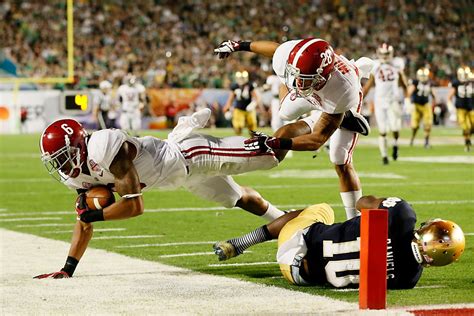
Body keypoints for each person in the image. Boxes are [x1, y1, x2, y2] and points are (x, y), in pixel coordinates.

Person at [34, 109, 287, 279]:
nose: (62, 167)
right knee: (237, 198)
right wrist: (68, 269)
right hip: (184, 178)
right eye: (56, 161)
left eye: (63, 158)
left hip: (193, 155)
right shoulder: (75, 176)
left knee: (271, 155)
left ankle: (306, 126)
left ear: (78, 146)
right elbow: (84, 220)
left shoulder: (102, 146)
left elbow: (134, 207)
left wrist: (94, 216)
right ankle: (285, 218)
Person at [215, 38, 372, 220]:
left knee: (339, 158)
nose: (296, 82)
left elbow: (317, 140)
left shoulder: (343, 89)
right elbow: (276, 49)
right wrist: (239, 45)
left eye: (302, 78)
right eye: (294, 74)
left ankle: (354, 220)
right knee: (284, 113)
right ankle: (334, 112)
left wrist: (276, 142)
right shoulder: (290, 55)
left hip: (336, 98)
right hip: (318, 91)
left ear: (322, 75)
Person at [213, 195, 465, 289]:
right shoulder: (409, 279)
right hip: (302, 278)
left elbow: (361, 202)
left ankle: (240, 242)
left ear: (428, 229)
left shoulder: (402, 215)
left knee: (321, 209)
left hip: (297, 245)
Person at [362, 43, 409, 165]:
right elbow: (369, 84)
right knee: (382, 130)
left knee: (395, 128)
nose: (384, 56)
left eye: (387, 54)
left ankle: (395, 145)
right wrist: (360, 98)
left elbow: (404, 83)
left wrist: (407, 98)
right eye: (382, 54)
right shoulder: (375, 65)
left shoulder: (397, 64)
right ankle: (384, 156)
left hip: (393, 100)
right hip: (380, 101)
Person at [222, 70, 261, 136]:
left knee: (252, 128)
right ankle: (239, 140)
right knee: (238, 127)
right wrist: (227, 107)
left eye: (242, 78)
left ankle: (253, 141)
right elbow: (231, 98)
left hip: (249, 110)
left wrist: (253, 104)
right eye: (240, 78)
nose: (241, 80)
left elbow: (257, 98)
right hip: (239, 109)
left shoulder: (250, 85)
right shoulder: (235, 86)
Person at [408, 67, 437, 148]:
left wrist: (435, 105)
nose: (423, 77)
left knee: (428, 124)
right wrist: (408, 103)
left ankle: (426, 142)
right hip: (416, 105)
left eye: (425, 76)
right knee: (414, 126)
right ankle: (412, 138)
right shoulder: (415, 82)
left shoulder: (430, 83)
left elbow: (434, 95)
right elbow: (409, 92)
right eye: (422, 76)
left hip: (426, 105)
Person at [447, 66, 473, 152]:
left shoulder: (472, 82)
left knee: (472, 126)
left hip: (471, 107)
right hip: (460, 108)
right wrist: (451, 109)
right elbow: (449, 97)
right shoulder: (456, 83)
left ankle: (468, 138)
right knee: (465, 127)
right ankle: (467, 142)